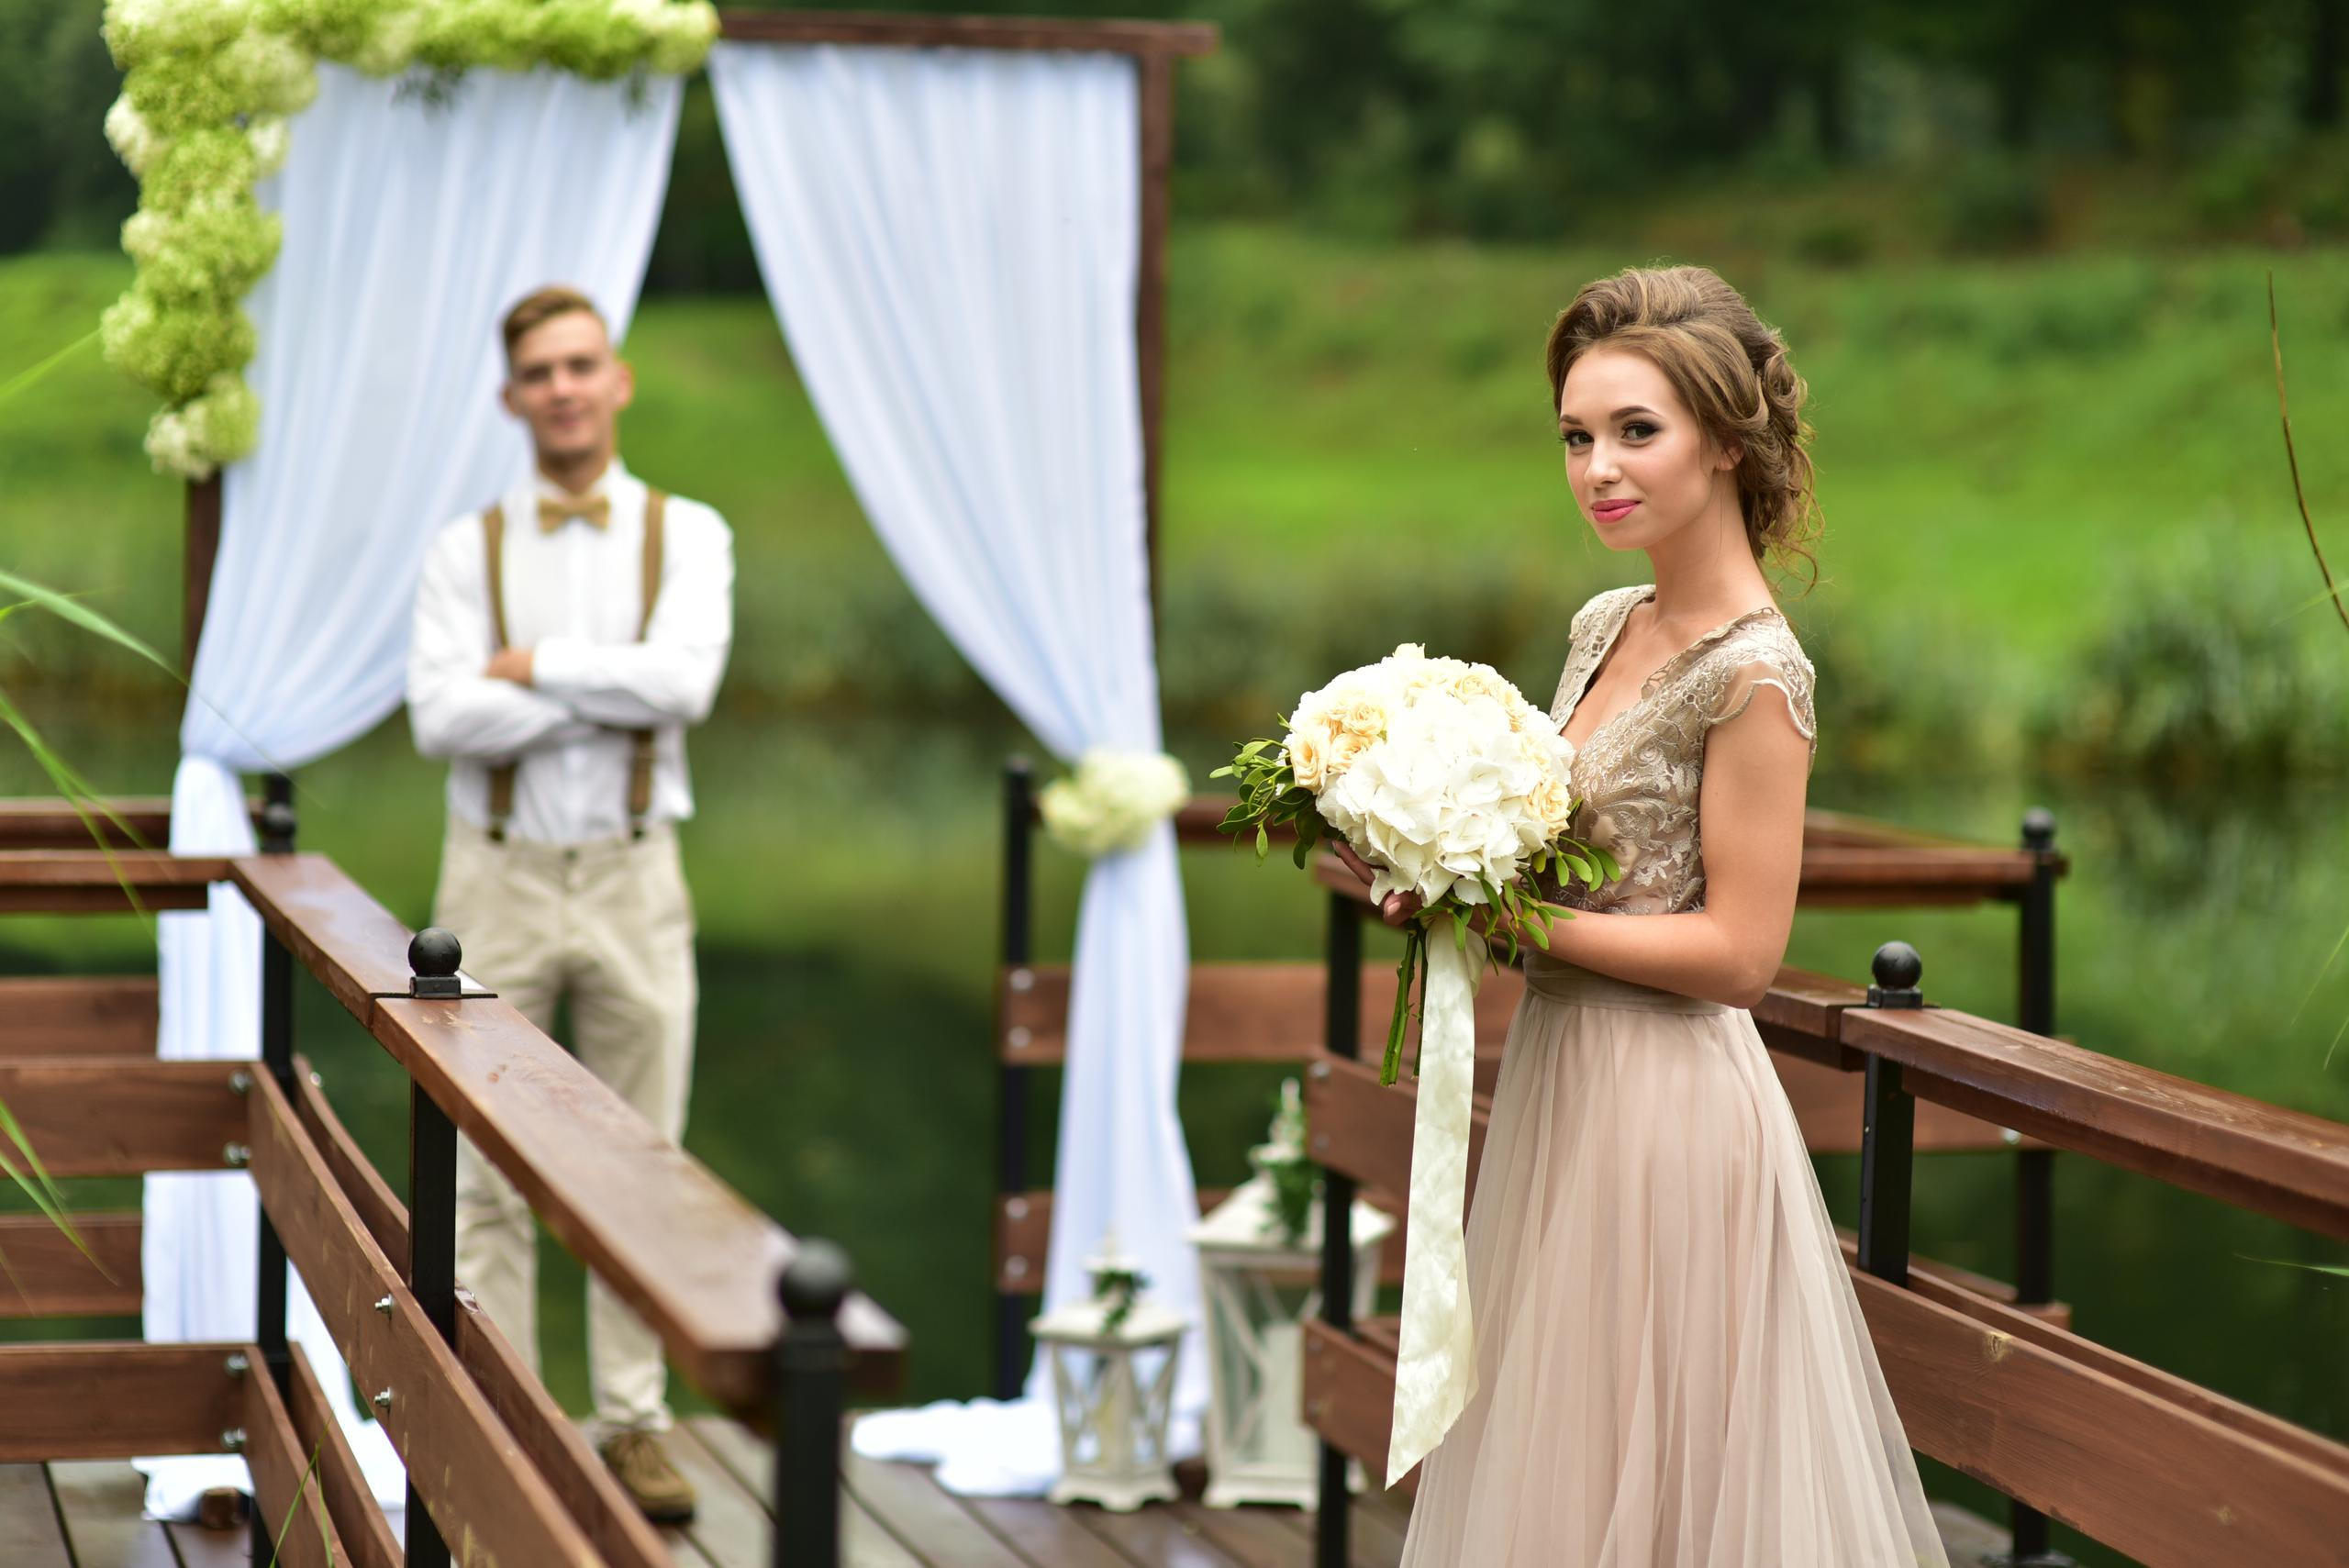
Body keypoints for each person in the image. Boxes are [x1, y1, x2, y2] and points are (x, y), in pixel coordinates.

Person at [1338, 265, 1951, 1566]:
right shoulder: (1605, 621)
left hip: (1669, 1112)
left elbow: (1740, 954)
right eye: (1576, 435)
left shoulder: (1757, 674)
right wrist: (1439, 863)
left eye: (1636, 430)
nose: (1598, 468)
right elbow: (1563, 844)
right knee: (1557, 1463)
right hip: (1565, 1087)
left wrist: (1511, 927)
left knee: (1654, 1484)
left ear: (1727, 441)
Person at [406, 284, 735, 1524]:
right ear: (511, 396)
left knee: (640, 1160)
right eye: (539, 370)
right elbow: (442, 717)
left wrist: (532, 666)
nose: (562, 387)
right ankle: (510, 1419)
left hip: (637, 874)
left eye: (581, 364)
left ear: (619, 380)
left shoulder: (688, 532)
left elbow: (687, 685)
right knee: (487, 1164)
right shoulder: (462, 549)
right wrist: (614, 689)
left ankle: (635, 1425)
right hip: (491, 877)